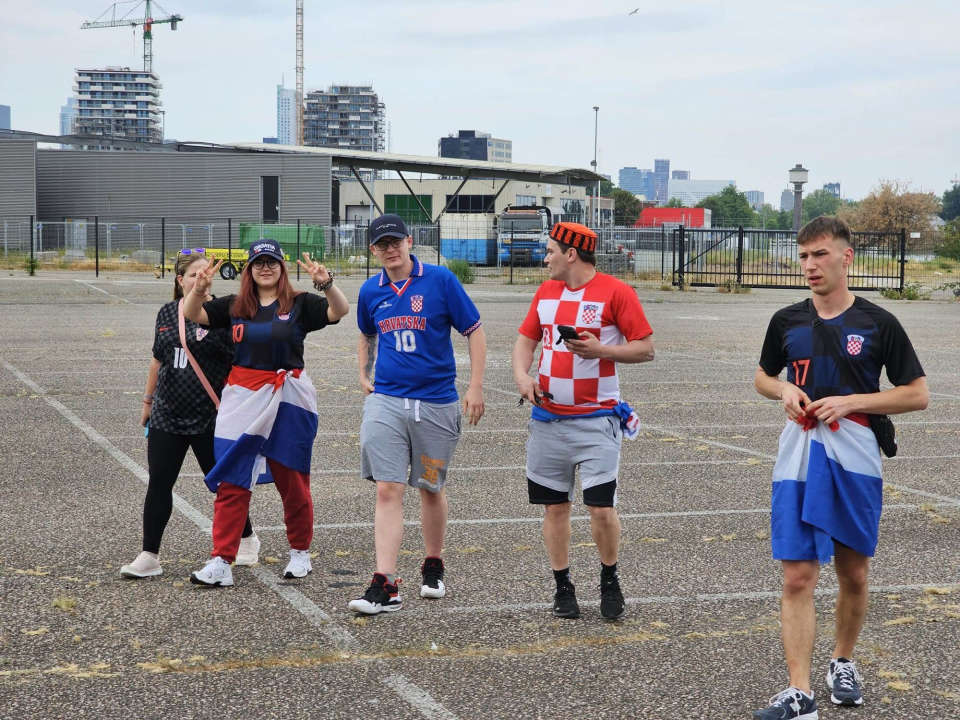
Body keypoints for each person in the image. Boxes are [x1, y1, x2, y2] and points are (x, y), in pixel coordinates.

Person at [753, 217, 928, 719]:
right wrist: (783, 389)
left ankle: (843, 661)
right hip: (799, 454)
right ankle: (800, 692)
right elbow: (763, 377)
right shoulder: (786, 321)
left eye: (820, 255)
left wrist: (853, 402)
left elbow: (916, 394)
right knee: (796, 575)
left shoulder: (879, 323)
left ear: (846, 258)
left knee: (852, 571)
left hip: (855, 457)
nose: (810, 265)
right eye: (804, 256)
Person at [183, 239, 349, 587]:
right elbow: (192, 314)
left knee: (292, 480)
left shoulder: (301, 303)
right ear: (249, 269)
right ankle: (221, 560)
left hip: (288, 398)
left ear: (281, 266)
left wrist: (327, 283)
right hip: (242, 397)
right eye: (258, 262)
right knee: (232, 480)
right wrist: (198, 290)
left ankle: (300, 553)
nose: (265, 268)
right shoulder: (234, 306)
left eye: (272, 261)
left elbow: (340, 311)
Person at [512, 221, 654, 621]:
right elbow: (526, 340)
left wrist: (600, 350)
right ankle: (563, 587)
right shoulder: (545, 292)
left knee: (601, 508)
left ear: (571, 253)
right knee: (554, 508)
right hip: (547, 422)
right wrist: (523, 377)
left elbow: (646, 349)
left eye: (551, 250)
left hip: (597, 422)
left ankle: (609, 579)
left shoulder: (616, 291)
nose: (546, 258)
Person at [349, 214, 486, 614]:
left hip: (436, 402)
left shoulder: (440, 280)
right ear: (373, 250)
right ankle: (385, 583)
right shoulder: (370, 291)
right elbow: (366, 332)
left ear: (410, 241)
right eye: (381, 244)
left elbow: (474, 330)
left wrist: (475, 386)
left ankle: (433, 562)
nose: (390, 249)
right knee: (387, 488)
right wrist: (362, 371)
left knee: (429, 486)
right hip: (387, 401)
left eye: (396, 241)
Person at [121, 250, 259, 578]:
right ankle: (149, 555)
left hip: (210, 415)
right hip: (168, 414)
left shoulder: (224, 313)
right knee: (159, 483)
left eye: (206, 273)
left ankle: (247, 537)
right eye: (194, 274)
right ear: (179, 280)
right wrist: (147, 403)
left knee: (223, 484)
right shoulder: (167, 312)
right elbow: (158, 360)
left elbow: (241, 358)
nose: (201, 279)